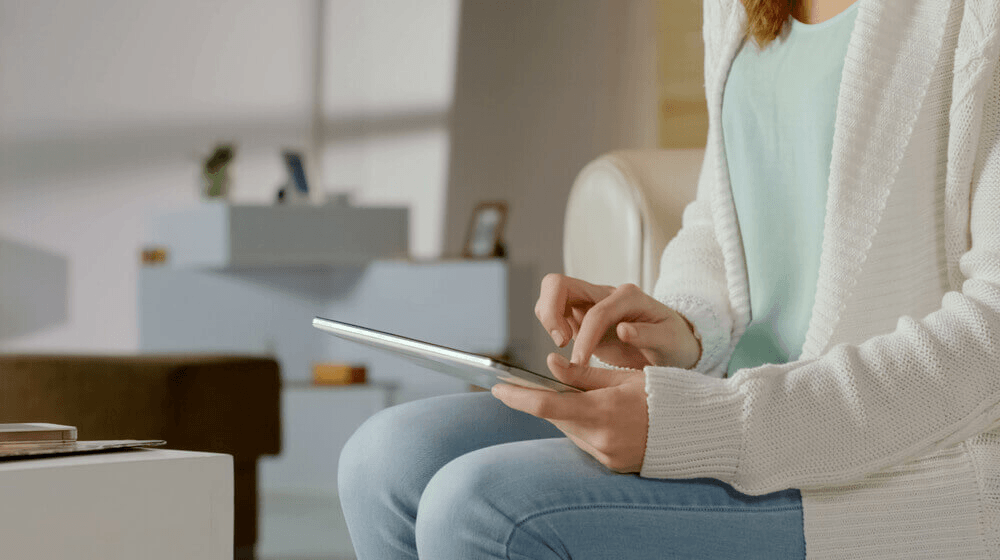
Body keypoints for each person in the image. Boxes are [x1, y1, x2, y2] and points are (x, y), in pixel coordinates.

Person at [338, 0, 1000, 557]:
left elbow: (990, 340)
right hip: (733, 401)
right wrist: (686, 330)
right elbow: (718, 216)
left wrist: (706, 425)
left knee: (478, 507)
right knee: (386, 460)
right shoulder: (741, 6)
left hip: (898, 461)